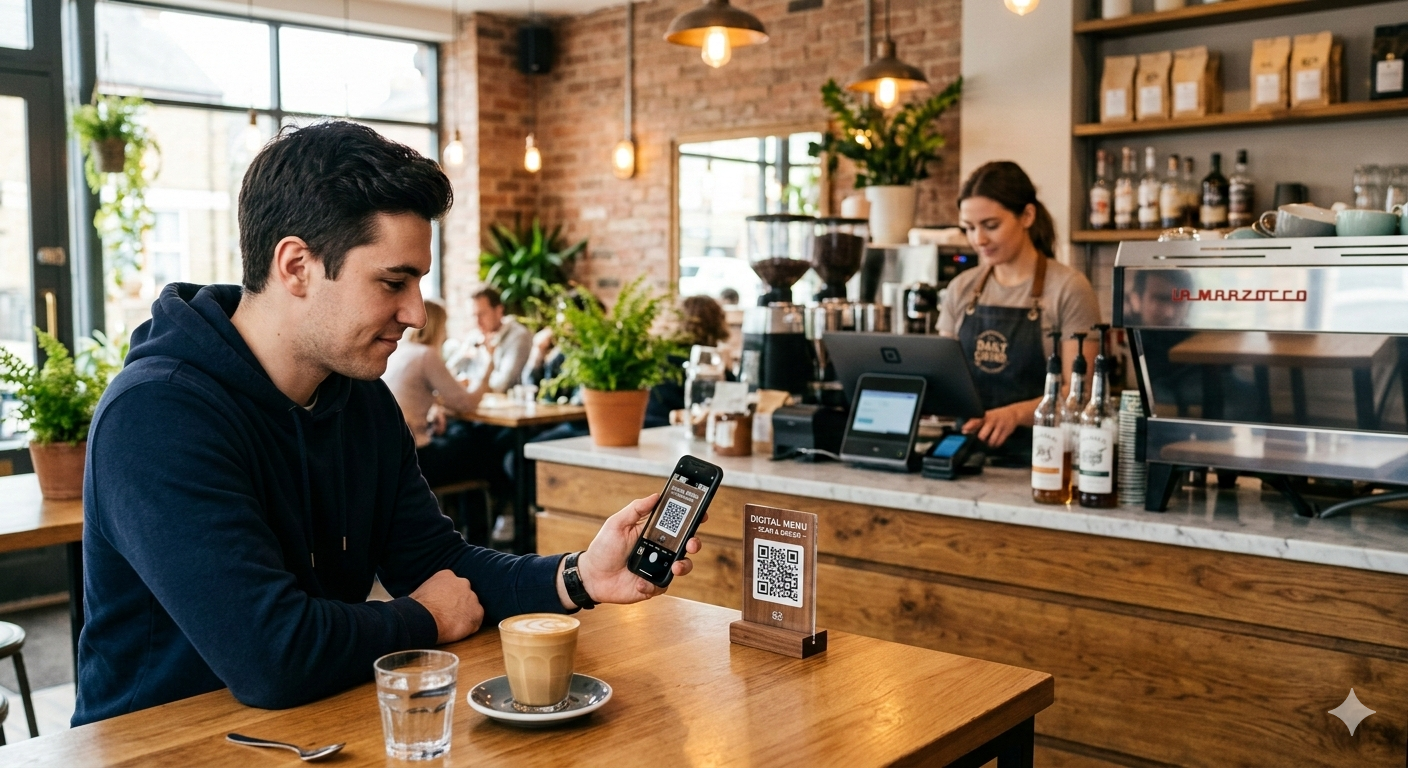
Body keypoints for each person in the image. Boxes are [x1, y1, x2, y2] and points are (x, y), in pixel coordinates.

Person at [74, 121, 702, 726]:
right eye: (393, 282)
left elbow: (439, 565)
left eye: (418, 283)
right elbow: (271, 655)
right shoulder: (157, 414)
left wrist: (578, 576)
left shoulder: (359, 398)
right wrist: (421, 620)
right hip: (161, 746)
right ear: (296, 266)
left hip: (313, 731)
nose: (415, 313)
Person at [938, 161, 1101, 459]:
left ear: (1027, 216)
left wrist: (1014, 414)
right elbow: (945, 377)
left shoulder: (1069, 289)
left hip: (1045, 461)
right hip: (965, 457)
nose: (979, 240)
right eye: (969, 228)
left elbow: (1080, 394)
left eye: (991, 225)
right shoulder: (961, 289)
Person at [382, 297, 500, 489]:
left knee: (464, 435)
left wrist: (435, 406)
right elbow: (467, 403)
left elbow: (414, 392)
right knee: (485, 442)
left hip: (391, 456)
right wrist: (488, 369)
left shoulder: (399, 350)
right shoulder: (425, 354)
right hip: (417, 458)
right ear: (438, 327)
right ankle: (497, 513)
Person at [450, 286, 531, 393]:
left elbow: (502, 385)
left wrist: (469, 382)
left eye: (482, 314)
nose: (477, 322)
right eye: (474, 316)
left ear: (499, 310)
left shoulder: (518, 337)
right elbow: (446, 376)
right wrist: (464, 354)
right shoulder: (474, 336)